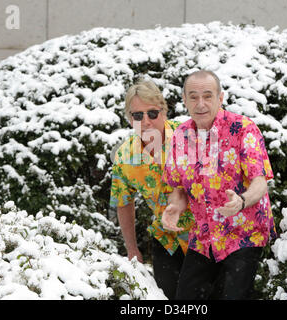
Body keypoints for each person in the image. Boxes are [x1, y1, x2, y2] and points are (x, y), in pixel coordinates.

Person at [162, 70, 277, 300]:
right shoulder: (180, 136)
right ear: (184, 100)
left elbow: (260, 182)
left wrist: (242, 200)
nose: (200, 103)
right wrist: (175, 206)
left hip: (245, 233)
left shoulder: (243, 128)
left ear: (220, 98)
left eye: (207, 96)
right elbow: (178, 188)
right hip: (204, 236)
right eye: (193, 97)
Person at [109, 79, 194, 299]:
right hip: (165, 239)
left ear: (164, 111)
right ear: (129, 119)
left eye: (152, 113)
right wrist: (132, 249)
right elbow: (123, 202)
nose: (146, 121)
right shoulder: (124, 156)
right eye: (138, 115)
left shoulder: (189, 137)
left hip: (203, 236)